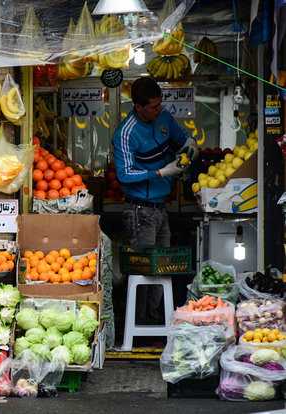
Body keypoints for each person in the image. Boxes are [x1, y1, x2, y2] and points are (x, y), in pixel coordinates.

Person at [112, 77, 198, 325]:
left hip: (161, 209)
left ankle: (152, 324)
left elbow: (181, 137)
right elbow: (125, 174)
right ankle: (137, 327)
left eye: (160, 105)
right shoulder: (125, 133)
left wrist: (189, 143)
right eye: (153, 107)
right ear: (138, 106)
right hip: (139, 211)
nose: (159, 110)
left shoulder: (164, 119)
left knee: (162, 270)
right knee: (143, 273)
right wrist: (162, 172)